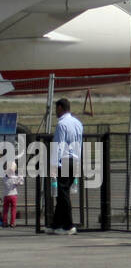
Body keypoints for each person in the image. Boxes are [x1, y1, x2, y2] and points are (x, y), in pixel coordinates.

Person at [50, 98, 84, 234]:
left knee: (63, 193)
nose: (55, 112)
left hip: (64, 159)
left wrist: (53, 164)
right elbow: (80, 143)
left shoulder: (61, 124)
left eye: (56, 109)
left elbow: (59, 145)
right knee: (63, 192)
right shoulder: (78, 123)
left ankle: (68, 225)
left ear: (60, 108)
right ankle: (56, 224)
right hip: (75, 159)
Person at [3, 161, 18, 228]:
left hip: (6, 195)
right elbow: (19, 183)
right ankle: (12, 223)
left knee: (5, 209)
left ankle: (5, 222)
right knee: (13, 209)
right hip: (13, 195)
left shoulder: (4, 178)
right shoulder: (14, 178)